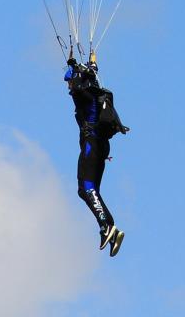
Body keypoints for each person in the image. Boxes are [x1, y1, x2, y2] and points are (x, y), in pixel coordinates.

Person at [65, 52, 129, 256]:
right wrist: (89, 67)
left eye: (69, 82)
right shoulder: (95, 94)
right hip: (100, 147)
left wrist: (76, 70)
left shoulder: (84, 94)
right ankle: (109, 229)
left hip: (91, 145)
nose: (68, 86)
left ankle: (106, 226)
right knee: (88, 190)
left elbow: (77, 88)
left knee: (87, 188)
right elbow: (87, 78)